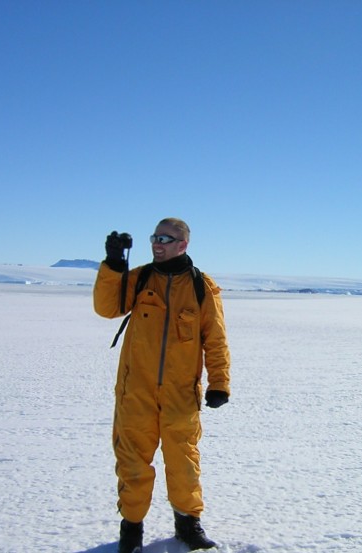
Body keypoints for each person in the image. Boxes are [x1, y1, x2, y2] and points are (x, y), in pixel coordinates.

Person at [89, 217, 228, 552]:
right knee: (132, 461)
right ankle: (131, 531)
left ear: (183, 244)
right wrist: (113, 265)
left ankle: (187, 524)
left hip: (182, 393)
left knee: (183, 460)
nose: (157, 243)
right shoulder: (140, 278)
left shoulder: (201, 286)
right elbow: (106, 308)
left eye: (165, 238)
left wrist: (219, 382)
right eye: (155, 237)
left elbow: (216, 338)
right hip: (135, 391)